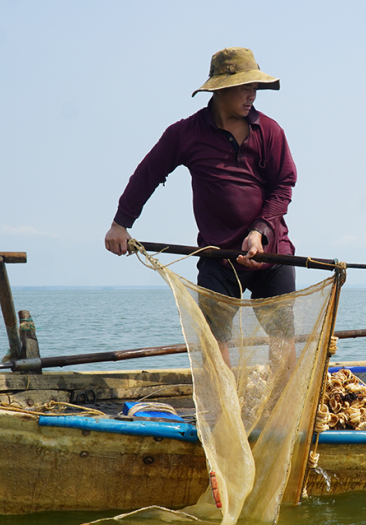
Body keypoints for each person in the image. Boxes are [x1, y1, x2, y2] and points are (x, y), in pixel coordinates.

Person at [104, 47, 297, 347]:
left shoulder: (270, 131)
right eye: (244, 88)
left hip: (271, 255)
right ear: (221, 90)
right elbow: (147, 175)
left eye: (255, 88)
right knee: (216, 344)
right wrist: (120, 224)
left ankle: (285, 396)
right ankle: (224, 396)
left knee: (283, 342)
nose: (252, 96)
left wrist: (260, 231)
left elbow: (284, 185)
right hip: (217, 258)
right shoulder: (185, 134)